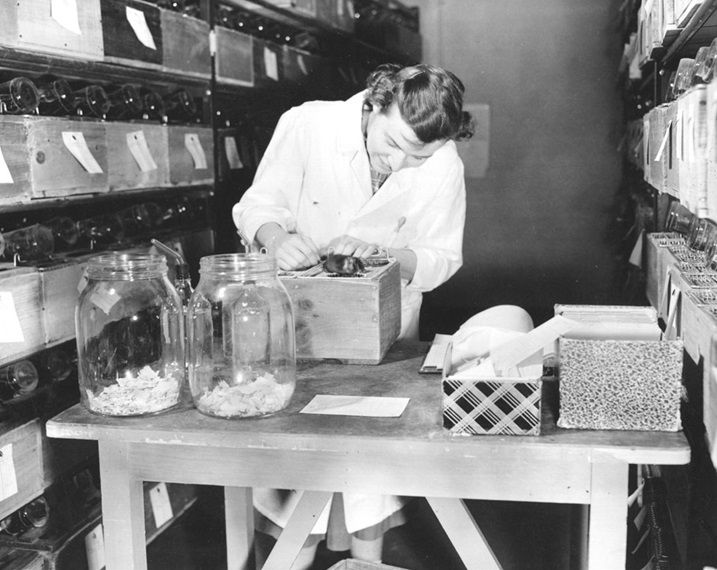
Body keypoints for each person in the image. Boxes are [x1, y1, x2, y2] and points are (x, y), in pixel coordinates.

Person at [232, 62, 474, 568]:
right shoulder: (309, 124)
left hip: (383, 340)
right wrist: (276, 239)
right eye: (393, 143)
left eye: (418, 156)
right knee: (294, 483)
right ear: (375, 100)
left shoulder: (444, 163)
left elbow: (442, 256)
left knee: (370, 479)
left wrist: (391, 259)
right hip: (299, 327)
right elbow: (256, 204)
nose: (401, 163)